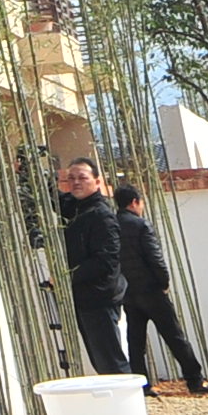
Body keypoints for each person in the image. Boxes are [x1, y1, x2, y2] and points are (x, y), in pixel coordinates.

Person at [109, 181, 208, 394]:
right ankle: (195, 380)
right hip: (151, 290)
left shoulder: (111, 225)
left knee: (135, 341)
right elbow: (155, 258)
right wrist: (164, 282)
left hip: (128, 292)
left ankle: (142, 385)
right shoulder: (141, 225)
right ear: (135, 202)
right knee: (175, 336)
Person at [57, 160, 131, 375]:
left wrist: (66, 276)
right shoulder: (79, 207)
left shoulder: (101, 214)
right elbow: (57, 200)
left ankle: (126, 406)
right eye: (71, 178)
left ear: (97, 181)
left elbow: (106, 260)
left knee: (111, 361)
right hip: (86, 297)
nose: (76, 183)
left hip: (100, 297)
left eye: (82, 178)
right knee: (101, 361)